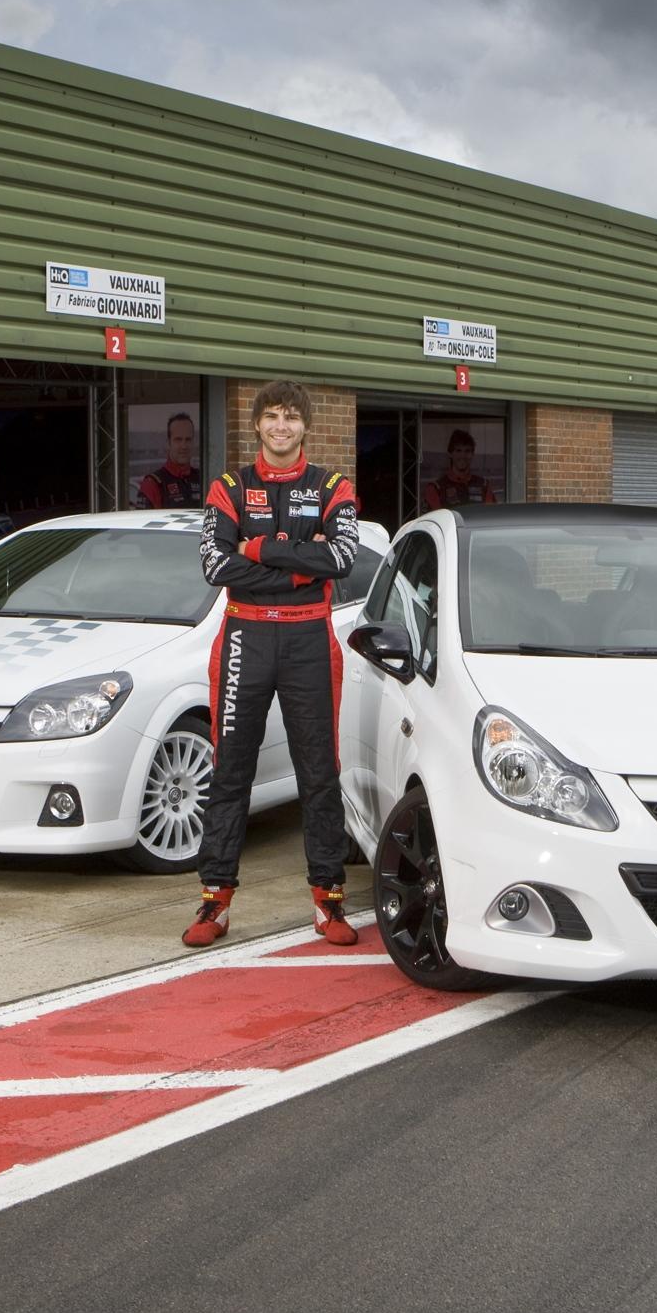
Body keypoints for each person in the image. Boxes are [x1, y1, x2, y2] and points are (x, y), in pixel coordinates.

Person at [182, 382, 364, 948]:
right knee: (231, 768)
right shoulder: (230, 486)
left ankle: (328, 900)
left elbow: (342, 558)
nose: (281, 426)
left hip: (310, 636)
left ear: (306, 427)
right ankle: (215, 901)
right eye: (271, 417)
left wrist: (256, 550)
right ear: (256, 425)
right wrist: (297, 566)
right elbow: (215, 565)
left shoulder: (334, 486)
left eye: (291, 417)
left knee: (319, 770)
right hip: (246, 637)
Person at [135, 412, 203, 509]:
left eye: (188, 439)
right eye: (178, 440)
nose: (184, 446)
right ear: (168, 443)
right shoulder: (153, 484)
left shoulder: (203, 479)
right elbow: (143, 523)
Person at [420, 427, 498, 511]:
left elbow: (491, 516)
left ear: (472, 454)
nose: (463, 456)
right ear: (450, 454)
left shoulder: (484, 486)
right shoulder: (436, 488)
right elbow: (435, 521)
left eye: (467, 451)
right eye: (458, 451)